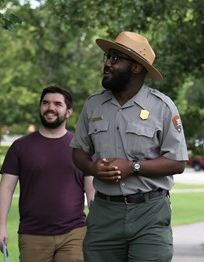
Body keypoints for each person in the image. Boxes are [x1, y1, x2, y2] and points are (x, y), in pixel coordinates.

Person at [70, 31, 188, 262]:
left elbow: (178, 162)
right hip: (104, 212)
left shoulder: (162, 107)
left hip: (150, 213)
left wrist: (133, 166)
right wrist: (93, 169)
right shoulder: (94, 104)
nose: (107, 63)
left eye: (115, 58)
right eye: (107, 56)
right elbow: (78, 152)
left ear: (135, 68)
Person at [0, 85, 95, 262]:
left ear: (68, 112)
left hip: (74, 234)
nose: (50, 108)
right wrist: (0, 227)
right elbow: (6, 188)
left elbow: (91, 191)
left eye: (57, 104)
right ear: (40, 108)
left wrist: (99, 225)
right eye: (45, 103)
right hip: (32, 234)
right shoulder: (20, 147)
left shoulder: (83, 147)